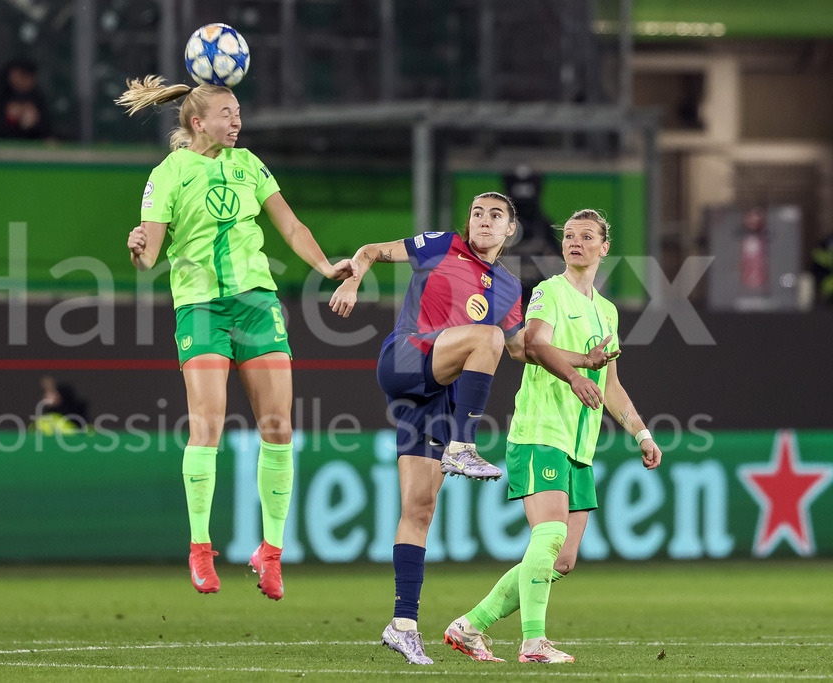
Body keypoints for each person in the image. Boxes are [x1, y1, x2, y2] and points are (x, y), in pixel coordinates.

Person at [329, 194, 617, 664]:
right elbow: (374, 250)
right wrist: (356, 274)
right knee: (485, 337)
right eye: (478, 213)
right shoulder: (443, 245)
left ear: (510, 231)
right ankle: (464, 444)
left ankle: (403, 623)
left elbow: (523, 348)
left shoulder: (506, 286)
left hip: (437, 392)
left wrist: (583, 361)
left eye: (495, 216)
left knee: (419, 508)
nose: (484, 220)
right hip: (406, 357)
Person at [118, 75, 356, 600]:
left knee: (278, 428)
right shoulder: (169, 173)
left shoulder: (250, 165)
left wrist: (324, 265)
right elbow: (150, 255)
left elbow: (290, 226)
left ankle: (270, 553)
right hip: (200, 308)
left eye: (239, 112)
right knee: (207, 427)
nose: (237, 121)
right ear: (198, 122)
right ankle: (200, 548)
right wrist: (137, 247)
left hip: (256, 304)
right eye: (228, 113)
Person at [444, 209, 663, 664]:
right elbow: (535, 343)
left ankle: (469, 627)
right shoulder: (549, 292)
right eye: (569, 236)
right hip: (541, 431)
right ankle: (533, 642)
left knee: (561, 560)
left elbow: (613, 386)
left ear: (604, 248)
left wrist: (641, 432)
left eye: (587, 237)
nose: (575, 242)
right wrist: (578, 372)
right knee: (547, 535)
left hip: (579, 444)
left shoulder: (606, 311)